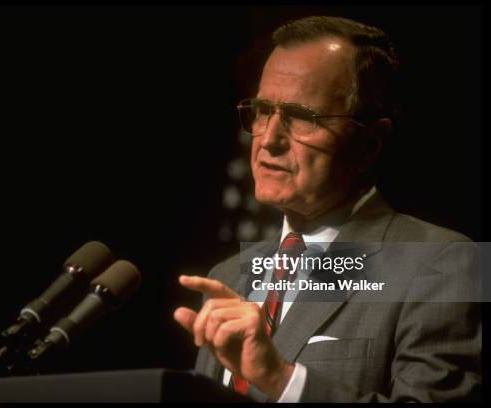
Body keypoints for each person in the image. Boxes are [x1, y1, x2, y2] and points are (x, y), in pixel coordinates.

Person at [173, 16, 481, 402]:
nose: (269, 140)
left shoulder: (444, 262)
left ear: (369, 143)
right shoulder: (230, 275)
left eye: (301, 117)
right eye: (263, 110)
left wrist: (282, 379)